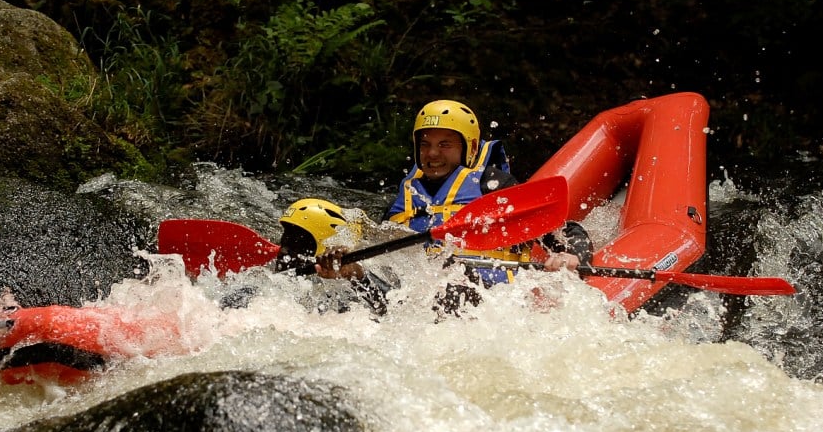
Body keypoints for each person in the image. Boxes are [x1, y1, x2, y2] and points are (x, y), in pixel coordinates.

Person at [317, 99, 592, 317]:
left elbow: (566, 231)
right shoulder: (402, 204)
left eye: (444, 144)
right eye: (425, 144)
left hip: (491, 307)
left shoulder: (493, 186)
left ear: (469, 148)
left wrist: (570, 256)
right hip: (420, 312)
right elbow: (391, 290)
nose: (433, 154)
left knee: (453, 288)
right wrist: (355, 272)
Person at [220, 198, 399, 317]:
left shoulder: (345, 305)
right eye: (286, 239)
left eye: (299, 243)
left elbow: (399, 312)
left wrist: (356, 274)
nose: (283, 251)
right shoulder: (255, 289)